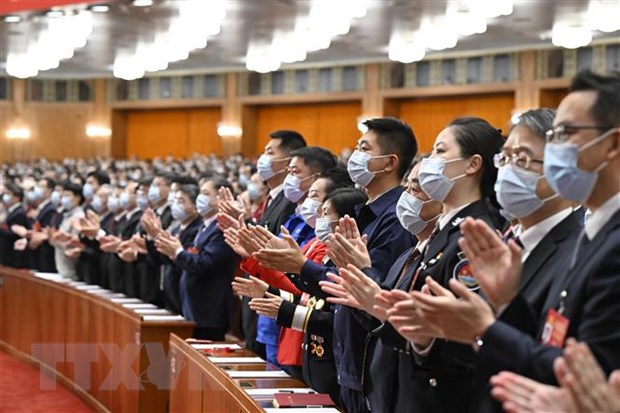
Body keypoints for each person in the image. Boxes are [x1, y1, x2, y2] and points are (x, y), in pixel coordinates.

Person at [295, 117, 417, 412]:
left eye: (364, 148)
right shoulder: (363, 212)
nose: (355, 155)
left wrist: (301, 266)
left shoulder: (395, 218)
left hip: (367, 362)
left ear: (389, 162)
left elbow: (372, 291)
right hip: (346, 359)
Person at [320, 159, 442, 412]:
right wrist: (359, 284)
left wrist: (364, 273)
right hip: (375, 385)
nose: (405, 197)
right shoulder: (405, 257)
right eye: (406, 188)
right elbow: (377, 318)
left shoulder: (436, 254)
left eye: (415, 190)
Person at [220, 130, 306, 357]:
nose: (263, 158)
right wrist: (244, 224)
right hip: (259, 298)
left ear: (287, 162)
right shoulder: (273, 198)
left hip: (277, 302)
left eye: (270, 152)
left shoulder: (289, 200)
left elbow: (272, 248)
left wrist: (247, 226)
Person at [155, 178, 239, 340]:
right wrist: (174, 251)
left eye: (206, 194)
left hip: (209, 310)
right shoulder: (205, 226)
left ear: (220, 199)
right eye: (200, 192)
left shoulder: (221, 228)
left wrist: (178, 251)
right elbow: (194, 257)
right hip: (193, 307)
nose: (200, 197)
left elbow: (205, 263)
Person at [144, 183, 202, 314]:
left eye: (181, 201)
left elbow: (183, 261)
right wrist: (153, 238)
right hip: (168, 292)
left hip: (184, 292)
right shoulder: (175, 227)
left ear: (194, 206)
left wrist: (160, 238)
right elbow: (158, 260)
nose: (176, 204)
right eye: (175, 200)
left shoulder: (197, 228)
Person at [49, 182, 86, 279]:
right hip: (62, 267)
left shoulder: (79, 217)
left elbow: (74, 243)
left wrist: (57, 239)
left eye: (68, 195)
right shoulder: (66, 215)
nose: (64, 198)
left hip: (72, 269)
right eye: (63, 195)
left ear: (78, 198)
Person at [0, 182, 30, 268]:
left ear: (17, 197)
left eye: (8, 194)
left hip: (14, 254)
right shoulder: (12, 211)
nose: (5, 197)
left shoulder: (19, 213)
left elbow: (15, 235)